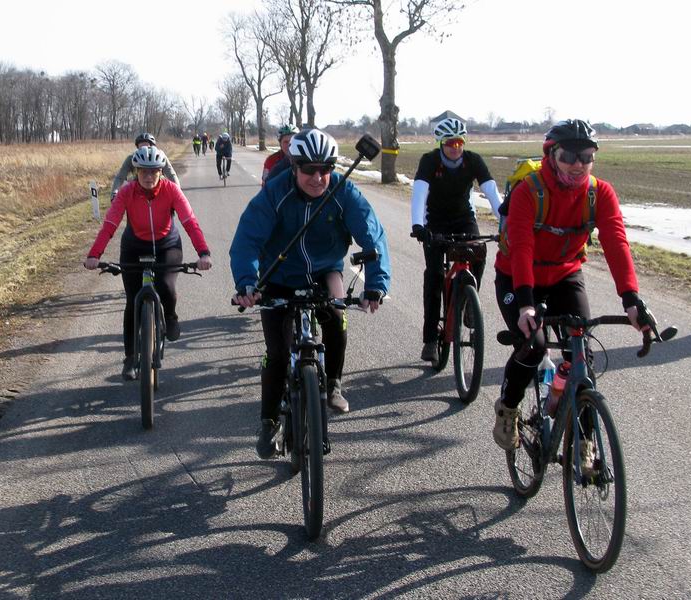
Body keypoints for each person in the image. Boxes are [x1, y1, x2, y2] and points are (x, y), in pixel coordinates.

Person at [492, 119, 653, 452]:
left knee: (581, 356)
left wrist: (631, 298)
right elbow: (521, 247)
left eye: (586, 156)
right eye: (568, 156)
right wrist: (525, 304)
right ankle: (508, 406)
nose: (578, 164)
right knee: (533, 344)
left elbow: (616, 242)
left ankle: (585, 441)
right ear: (552, 154)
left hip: (565, 274)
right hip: (518, 278)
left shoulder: (600, 193)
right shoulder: (529, 191)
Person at [230, 128, 391, 459]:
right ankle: (269, 421)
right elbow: (247, 239)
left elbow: (372, 236)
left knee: (336, 317)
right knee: (276, 352)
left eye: (325, 169)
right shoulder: (275, 193)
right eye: (309, 170)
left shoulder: (344, 192)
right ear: (294, 166)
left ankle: (333, 383)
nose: (318, 178)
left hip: (325, 269)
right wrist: (247, 282)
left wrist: (375, 283)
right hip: (278, 275)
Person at [85, 145, 213, 380]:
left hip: (167, 246)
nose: (148, 176)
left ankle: (171, 316)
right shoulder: (126, 192)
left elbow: (189, 222)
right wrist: (95, 255)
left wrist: (203, 252)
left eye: (153, 171)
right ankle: (131, 358)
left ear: (161, 172)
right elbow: (110, 224)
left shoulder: (172, 190)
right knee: (133, 302)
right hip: (134, 247)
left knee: (166, 287)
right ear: (135, 172)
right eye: (143, 171)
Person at [411, 115, 502, 362]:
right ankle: (430, 338)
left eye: (460, 142)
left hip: (463, 218)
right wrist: (418, 225)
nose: (455, 148)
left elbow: (492, 192)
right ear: (441, 143)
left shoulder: (473, 161)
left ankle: (468, 307)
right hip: (435, 222)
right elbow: (419, 192)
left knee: (479, 252)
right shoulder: (429, 161)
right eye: (450, 143)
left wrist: (507, 222)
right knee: (434, 275)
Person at [111, 132, 180, 199]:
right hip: (138, 191)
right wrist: (114, 193)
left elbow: (171, 174)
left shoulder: (160, 157)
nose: (145, 151)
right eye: (141, 148)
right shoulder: (131, 158)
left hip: (158, 189)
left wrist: (178, 192)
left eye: (147, 147)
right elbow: (120, 177)